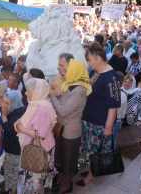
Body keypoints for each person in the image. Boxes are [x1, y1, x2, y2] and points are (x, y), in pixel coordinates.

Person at [78, 42, 120, 187]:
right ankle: (91, 169)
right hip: (89, 119)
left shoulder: (111, 76)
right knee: (90, 150)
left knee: (96, 151)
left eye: (89, 60)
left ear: (98, 58)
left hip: (100, 123)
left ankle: (91, 175)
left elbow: (113, 106)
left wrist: (108, 127)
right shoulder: (95, 71)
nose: (88, 63)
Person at [49, 54, 90, 193]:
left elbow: (63, 111)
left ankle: (67, 185)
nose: (61, 70)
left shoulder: (78, 90)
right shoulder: (69, 85)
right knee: (62, 157)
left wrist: (52, 95)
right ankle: (63, 180)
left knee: (69, 160)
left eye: (64, 68)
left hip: (70, 131)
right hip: (62, 128)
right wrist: (58, 95)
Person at [15, 78, 57, 194]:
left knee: (34, 186)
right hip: (32, 148)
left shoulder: (42, 108)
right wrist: (20, 121)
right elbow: (30, 120)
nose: (25, 92)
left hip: (38, 151)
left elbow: (40, 134)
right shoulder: (35, 103)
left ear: (37, 92)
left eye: (28, 90)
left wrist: (21, 129)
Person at [0, 90, 25, 194]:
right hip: (9, 147)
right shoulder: (14, 109)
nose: (4, 105)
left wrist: (4, 116)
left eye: (7, 103)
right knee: (9, 172)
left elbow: (10, 130)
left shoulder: (19, 112)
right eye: (3, 102)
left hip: (14, 148)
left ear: (14, 102)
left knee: (13, 173)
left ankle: (13, 191)